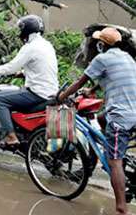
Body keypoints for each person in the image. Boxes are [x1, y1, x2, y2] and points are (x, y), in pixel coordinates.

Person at [58, 27, 136, 215]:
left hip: (121, 117)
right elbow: (109, 78)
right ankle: (106, 152)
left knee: (114, 161)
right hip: (133, 111)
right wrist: (92, 90)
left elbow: (78, 82)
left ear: (102, 44)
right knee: (101, 118)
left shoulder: (101, 59)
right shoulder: (127, 58)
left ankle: (121, 208)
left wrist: (62, 96)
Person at [0, 15, 58, 149]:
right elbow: (41, 67)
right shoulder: (46, 45)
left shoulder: (30, 47)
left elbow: (10, 67)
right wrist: (23, 73)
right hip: (51, 91)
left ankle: (11, 137)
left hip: (37, 93)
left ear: (26, 30)